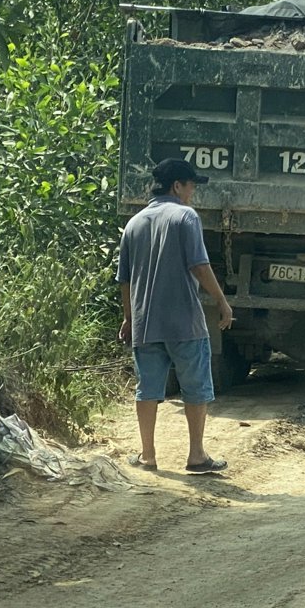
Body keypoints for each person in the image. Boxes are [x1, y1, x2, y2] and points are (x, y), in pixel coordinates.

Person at [116, 158, 233, 473]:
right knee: (195, 387)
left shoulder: (134, 224)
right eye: (191, 185)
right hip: (184, 323)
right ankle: (196, 456)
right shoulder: (186, 217)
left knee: (148, 388)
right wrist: (221, 300)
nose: (193, 192)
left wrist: (129, 319)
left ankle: (147, 456)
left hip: (145, 323)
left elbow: (124, 280)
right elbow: (199, 264)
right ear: (177, 186)